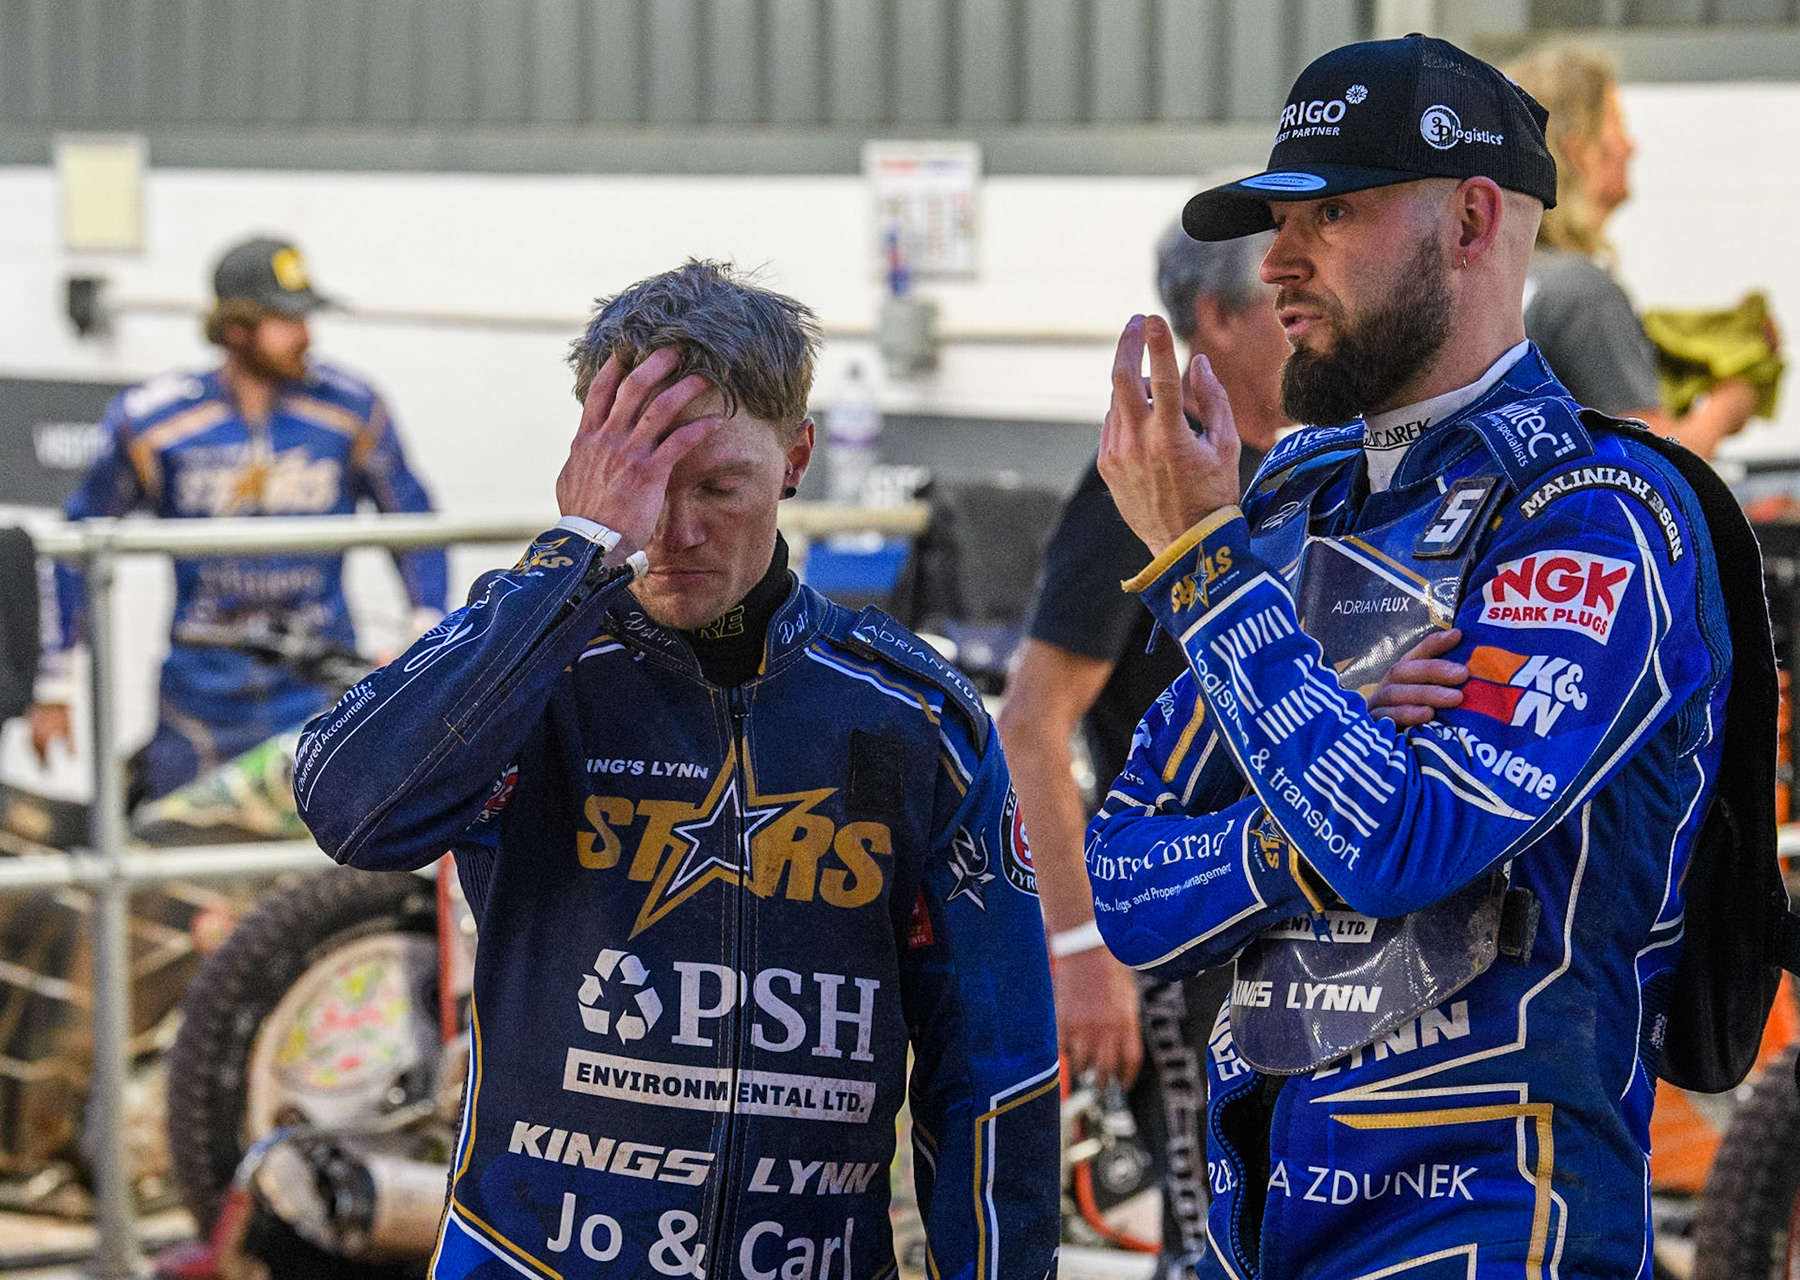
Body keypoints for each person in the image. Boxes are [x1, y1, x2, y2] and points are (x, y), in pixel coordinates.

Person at [1089, 33, 1748, 1278]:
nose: (1278, 263)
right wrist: (1310, 789)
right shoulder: (1285, 497)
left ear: (1471, 218)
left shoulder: (1600, 513)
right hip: (1261, 1222)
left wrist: (1207, 573)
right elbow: (1125, 887)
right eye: (1279, 219)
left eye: (1331, 213)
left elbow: (1402, 843)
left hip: (1495, 1227)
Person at [292, 261, 1059, 1280]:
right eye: (645, 487)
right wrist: (573, 553)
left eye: (716, 486)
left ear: (795, 459)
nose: (675, 531)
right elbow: (351, 809)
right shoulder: (531, 664)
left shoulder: (916, 715)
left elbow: (994, 1068)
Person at [997, 221, 1287, 1277]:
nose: (1303, 307)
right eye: (1278, 290)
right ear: (1214, 318)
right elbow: (1031, 717)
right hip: (1178, 926)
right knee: (1208, 1233)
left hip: (1283, 914)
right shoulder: (1141, 483)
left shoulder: (1299, 464)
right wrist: (1083, 950)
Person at [32, 236, 446, 800]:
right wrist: (56, 683)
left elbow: (416, 520)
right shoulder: (155, 419)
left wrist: (427, 631)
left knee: (320, 874)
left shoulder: (351, 408)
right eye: (286, 319)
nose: (306, 335)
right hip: (200, 694)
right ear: (235, 327)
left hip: (321, 685)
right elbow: (78, 539)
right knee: (180, 860)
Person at [1506, 45, 1765, 459]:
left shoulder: (1503, 277)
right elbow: (1653, 461)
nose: (1631, 147)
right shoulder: (1582, 295)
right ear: (1580, 151)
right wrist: (1726, 407)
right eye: (1617, 127)